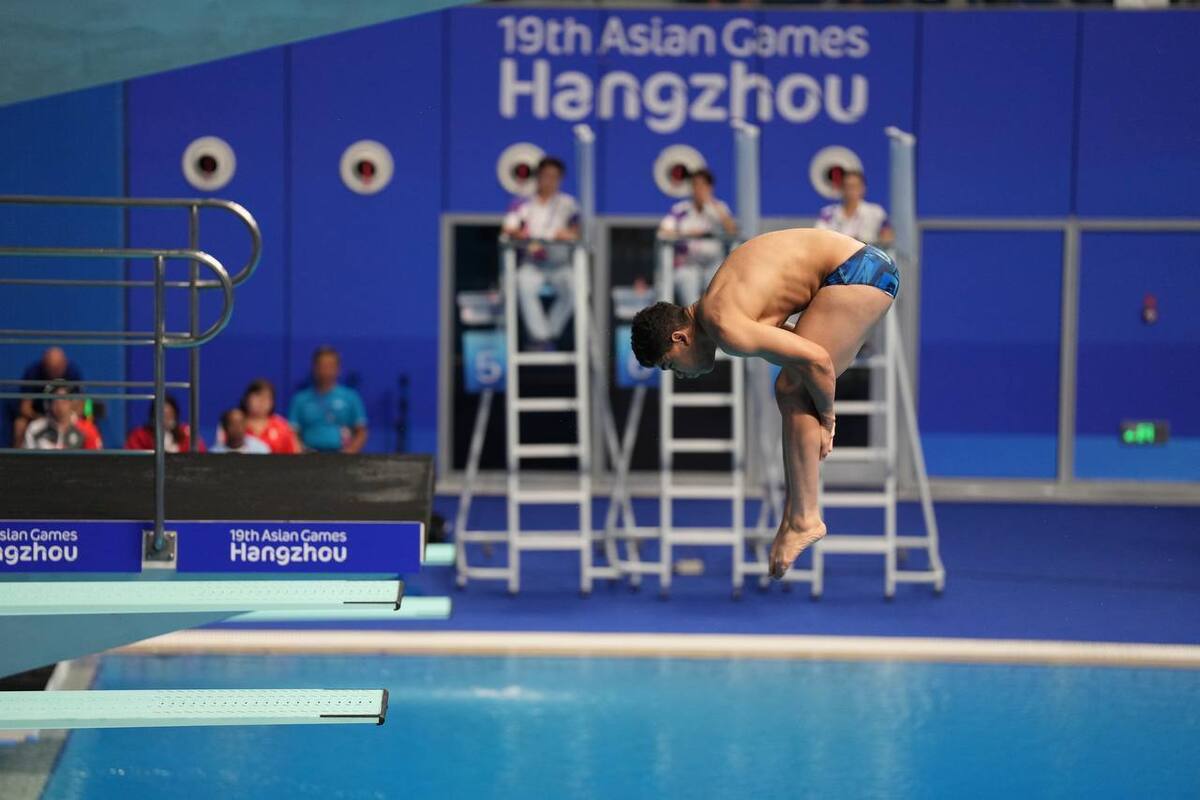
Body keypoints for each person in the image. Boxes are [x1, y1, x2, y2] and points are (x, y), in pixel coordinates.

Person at [630, 228, 899, 580]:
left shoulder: (724, 325)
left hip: (857, 273)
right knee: (791, 385)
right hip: (858, 267)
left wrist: (829, 418)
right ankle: (796, 515)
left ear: (680, 338)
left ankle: (806, 519)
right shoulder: (718, 305)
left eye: (670, 366)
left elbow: (817, 360)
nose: (679, 376)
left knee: (791, 388)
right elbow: (794, 342)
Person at [501, 156, 580, 349]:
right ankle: (539, 337)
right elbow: (508, 230)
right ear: (538, 177)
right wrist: (522, 234)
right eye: (546, 176)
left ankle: (550, 334)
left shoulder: (568, 203)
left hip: (560, 264)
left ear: (560, 179)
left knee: (576, 287)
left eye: (555, 177)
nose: (549, 181)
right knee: (522, 283)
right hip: (533, 264)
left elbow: (578, 231)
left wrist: (568, 234)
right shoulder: (522, 204)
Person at [658, 168, 738, 305]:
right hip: (688, 265)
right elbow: (663, 231)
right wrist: (687, 234)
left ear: (710, 187)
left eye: (703, 185)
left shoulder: (719, 208)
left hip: (713, 265)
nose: (699, 189)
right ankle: (693, 321)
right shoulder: (681, 209)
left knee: (719, 290)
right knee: (688, 281)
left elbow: (732, 230)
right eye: (695, 185)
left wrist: (712, 203)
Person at [288, 346, 368, 453]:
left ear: (338, 369)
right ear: (314, 368)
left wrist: (349, 453)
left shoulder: (351, 397)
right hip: (308, 457)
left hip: (342, 456)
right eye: (322, 366)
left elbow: (362, 432)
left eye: (330, 366)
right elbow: (292, 432)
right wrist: (300, 452)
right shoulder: (300, 399)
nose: (325, 370)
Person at [10, 347, 81, 446]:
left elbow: (81, 403)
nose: (55, 372)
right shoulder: (32, 373)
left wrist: (69, 416)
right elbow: (25, 408)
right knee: (19, 425)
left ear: (64, 363)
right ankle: (17, 460)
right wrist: (43, 419)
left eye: (58, 368)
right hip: (39, 415)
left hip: (66, 416)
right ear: (44, 365)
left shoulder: (73, 372)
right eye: (51, 368)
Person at [815, 170, 894, 248]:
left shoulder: (876, 212)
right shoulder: (828, 213)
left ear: (863, 188)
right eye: (848, 186)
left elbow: (887, 239)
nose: (851, 191)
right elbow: (819, 237)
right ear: (841, 189)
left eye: (855, 186)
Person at [22, 384, 96, 450]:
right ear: (48, 404)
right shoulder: (35, 428)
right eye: (55, 401)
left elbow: (96, 461)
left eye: (63, 400)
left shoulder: (87, 429)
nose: (59, 405)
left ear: (71, 402)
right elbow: (26, 461)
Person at [240, 378, 300, 454]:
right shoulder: (236, 423)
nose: (262, 400)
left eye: (267, 397)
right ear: (247, 398)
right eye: (258, 395)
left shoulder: (282, 427)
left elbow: (294, 456)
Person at [124, 395, 205, 452]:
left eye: (169, 416)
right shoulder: (139, 436)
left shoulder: (186, 433)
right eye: (162, 415)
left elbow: (200, 453)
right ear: (153, 416)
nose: (165, 421)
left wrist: (177, 449)